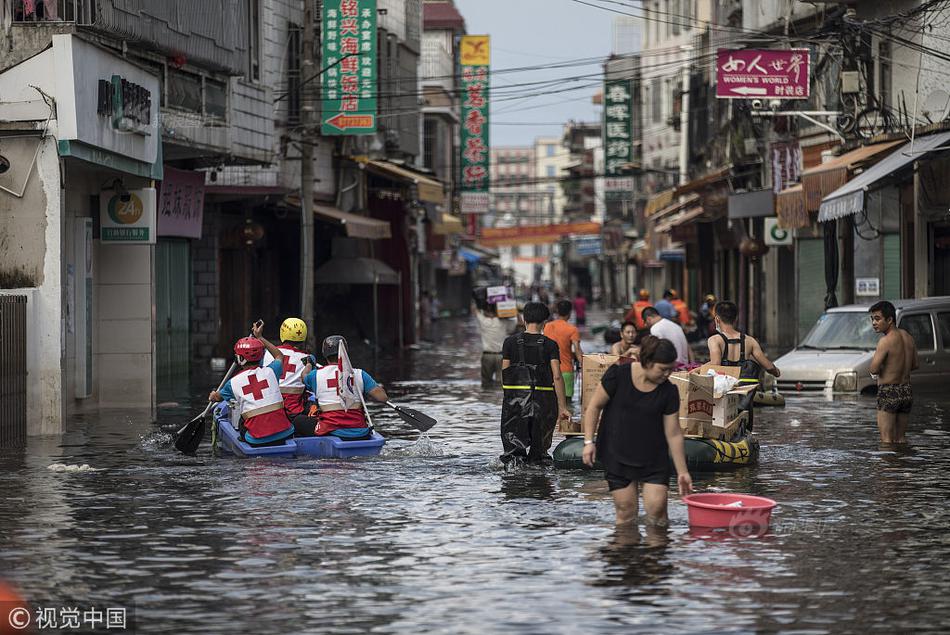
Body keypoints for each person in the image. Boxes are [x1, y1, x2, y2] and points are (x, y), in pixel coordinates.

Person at [582, 336, 693, 526]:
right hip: (617, 452)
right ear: (647, 362)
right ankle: (625, 553)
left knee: (657, 512)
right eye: (662, 369)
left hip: (653, 458)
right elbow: (594, 407)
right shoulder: (618, 375)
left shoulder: (668, 391)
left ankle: (656, 553)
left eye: (671, 369)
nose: (667, 374)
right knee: (626, 513)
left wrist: (683, 471)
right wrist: (588, 442)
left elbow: (673, 433)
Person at [500, 301, 571, 464]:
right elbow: (557, 376)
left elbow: (505, 373)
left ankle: (515, 485)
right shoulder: (550, 345)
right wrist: (562, 407)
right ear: (545, 322)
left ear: (524, 320)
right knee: (539, 454)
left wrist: (509, 399)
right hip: (544, 402)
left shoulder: (510, 342)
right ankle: (539, 483)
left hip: (515, 402)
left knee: (513, 454)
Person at [209, 321, 295, 446]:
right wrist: (260, 337)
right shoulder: (272, 370)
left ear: (240, 359)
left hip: (256, 439)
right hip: (285, 432)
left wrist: (212, 395)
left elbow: (216, 398)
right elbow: (279, 355)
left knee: (241, 420)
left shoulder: (232, 383)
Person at [296, 336, 390, 439]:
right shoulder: (360, 374)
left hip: (331, 430)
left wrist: (309, 364)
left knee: (298, 420)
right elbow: (383, 398)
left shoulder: (315, 375)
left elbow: (303, 377)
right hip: (359, 430)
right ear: (346, 353)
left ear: (325, 355)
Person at [868, 300, 918, 444]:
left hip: (889, 390)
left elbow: (874, 369)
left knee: (886, 440)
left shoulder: (885, 341)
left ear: (890, 320)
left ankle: (888, 467)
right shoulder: (908, 337)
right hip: (906, 391)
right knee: (900, 438)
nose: (873, 323)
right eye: (872, 319)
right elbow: (915, 365)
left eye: (877, 319)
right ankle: (902, 465)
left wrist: (884, 369)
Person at [706, 301, 780, 381]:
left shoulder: (714, 340)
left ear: (717, 319)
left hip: (723, 390)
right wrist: (777, 372)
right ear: (736, 319)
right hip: (745, 390)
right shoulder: (750, 341)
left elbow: (715, 366)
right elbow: (768, 366)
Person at [261, 317, 318, 418]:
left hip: (269, 410)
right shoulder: (309, 358)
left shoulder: (266, 354)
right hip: (294, 412)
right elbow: (311, 385)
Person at [473, 288, 517, 388]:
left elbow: (475, 310)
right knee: (501, 384)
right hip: (501, 357)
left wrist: (478, 301)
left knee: (486, 383)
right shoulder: (504, 322)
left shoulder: (484, 321)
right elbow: (518, 324)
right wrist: (514, 310)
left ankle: (486, 400)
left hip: (487, 356)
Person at [543, 300, 584, 406]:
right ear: (570, 313)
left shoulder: (547, 326)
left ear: (557, 311)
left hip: (549, 371)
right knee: (567, 406)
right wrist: (586, 366)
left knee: (550, 404)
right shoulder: (572, 329)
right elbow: (578, 351)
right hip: (566, 371)